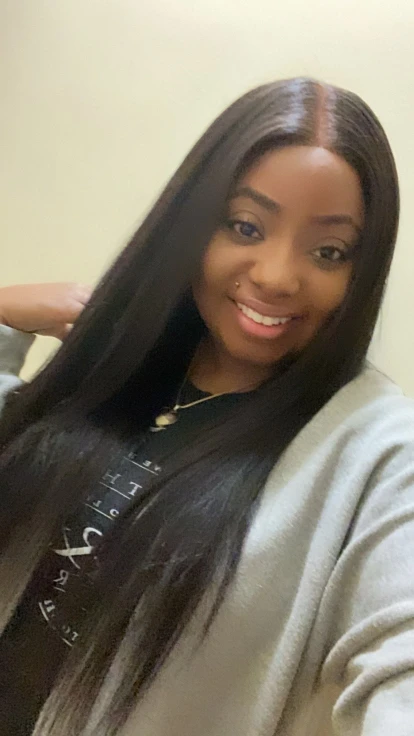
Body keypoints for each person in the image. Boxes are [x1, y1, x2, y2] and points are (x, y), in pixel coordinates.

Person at [0, 77, 412, 736]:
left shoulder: (379, 450)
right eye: (246, 226)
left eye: (329, 252)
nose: (276, 276)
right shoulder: (123, 369)